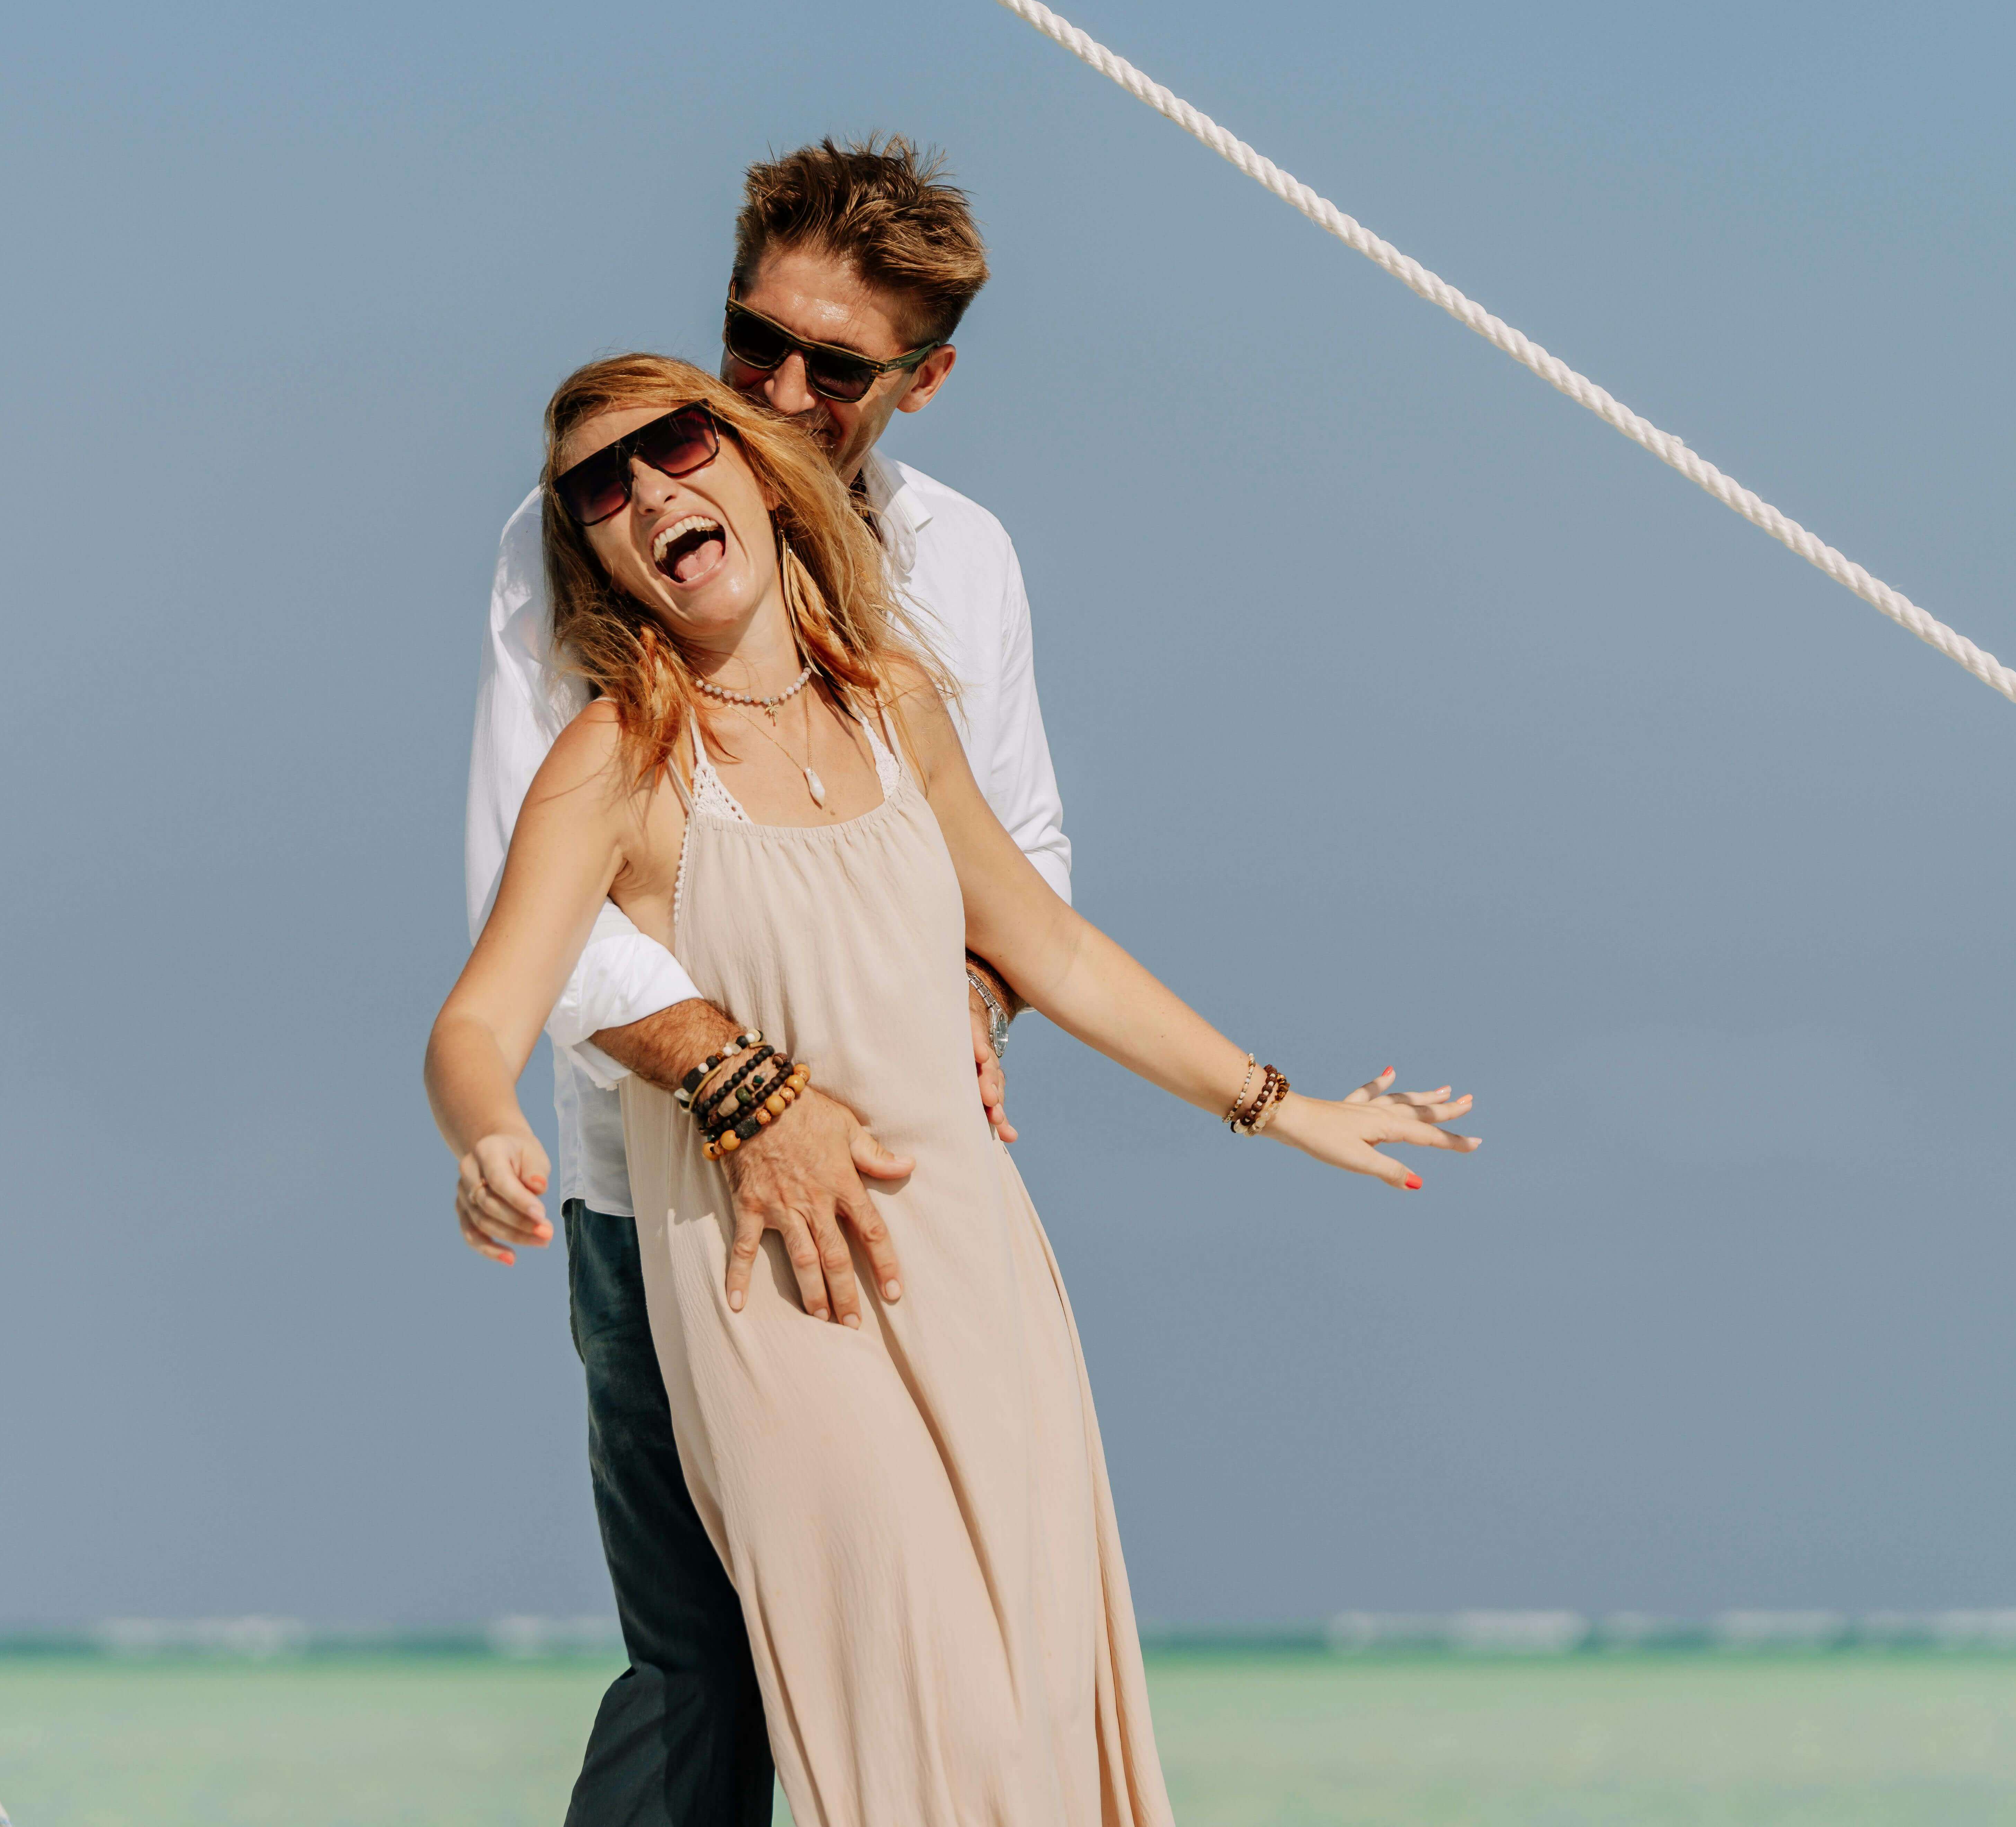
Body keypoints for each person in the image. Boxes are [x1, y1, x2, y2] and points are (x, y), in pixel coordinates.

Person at [429, 352, 1481, 1821]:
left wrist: (1280, 1105)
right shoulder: (614, 759)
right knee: (942, 1742)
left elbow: (1042, 941)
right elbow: (482, 1015)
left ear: (748, 463)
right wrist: (485, 1132)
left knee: (1043, 1723)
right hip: (776, 1294)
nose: (647, 490)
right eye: (598, 490)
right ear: (591, 558)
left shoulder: (892, 700)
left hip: (978, 1273)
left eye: (672, 446)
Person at [462, 138, 1076, 1824]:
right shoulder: (587, 519)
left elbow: (1018, 853)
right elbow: (531, 907)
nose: (776, 390)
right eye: (754, 341)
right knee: (708, 1679)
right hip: (662, 1197)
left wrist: (973, 1003)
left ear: (926, 379)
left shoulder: (966, 565)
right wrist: (751, 1094)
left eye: (836, 365)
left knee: (971, 1660)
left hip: (916, 1205)